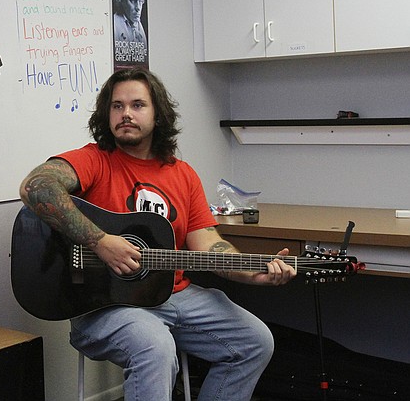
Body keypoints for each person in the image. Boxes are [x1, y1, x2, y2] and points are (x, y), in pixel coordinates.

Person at [19, 67, 295, 401]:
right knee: (156, 346)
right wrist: (100, 242)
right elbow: (36, 186)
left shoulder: (183, 175)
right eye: (117, 106)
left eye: (138, 105)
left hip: (176, 296)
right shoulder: (95, 160)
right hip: (103, 306)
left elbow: (209, 245)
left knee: (255, 342)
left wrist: (256, 274)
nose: (126, 114)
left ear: (157, 114)